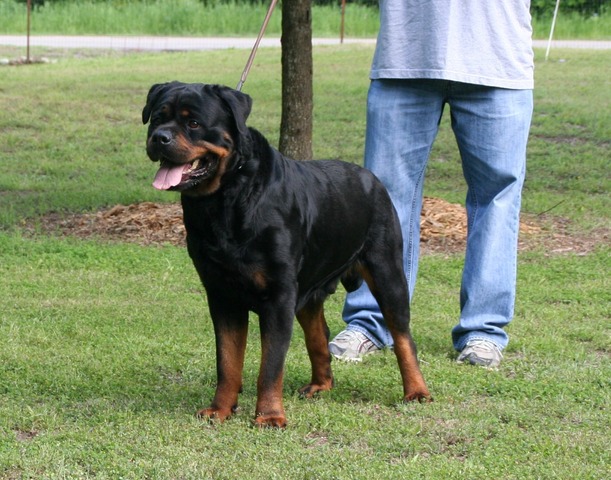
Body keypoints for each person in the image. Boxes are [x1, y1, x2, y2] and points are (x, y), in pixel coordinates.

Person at [329, 0, 534, 368]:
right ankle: (370, 321)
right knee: (382, 201)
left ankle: (484, 331)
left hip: (499, 61)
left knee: (497, 198)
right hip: (403, 58)